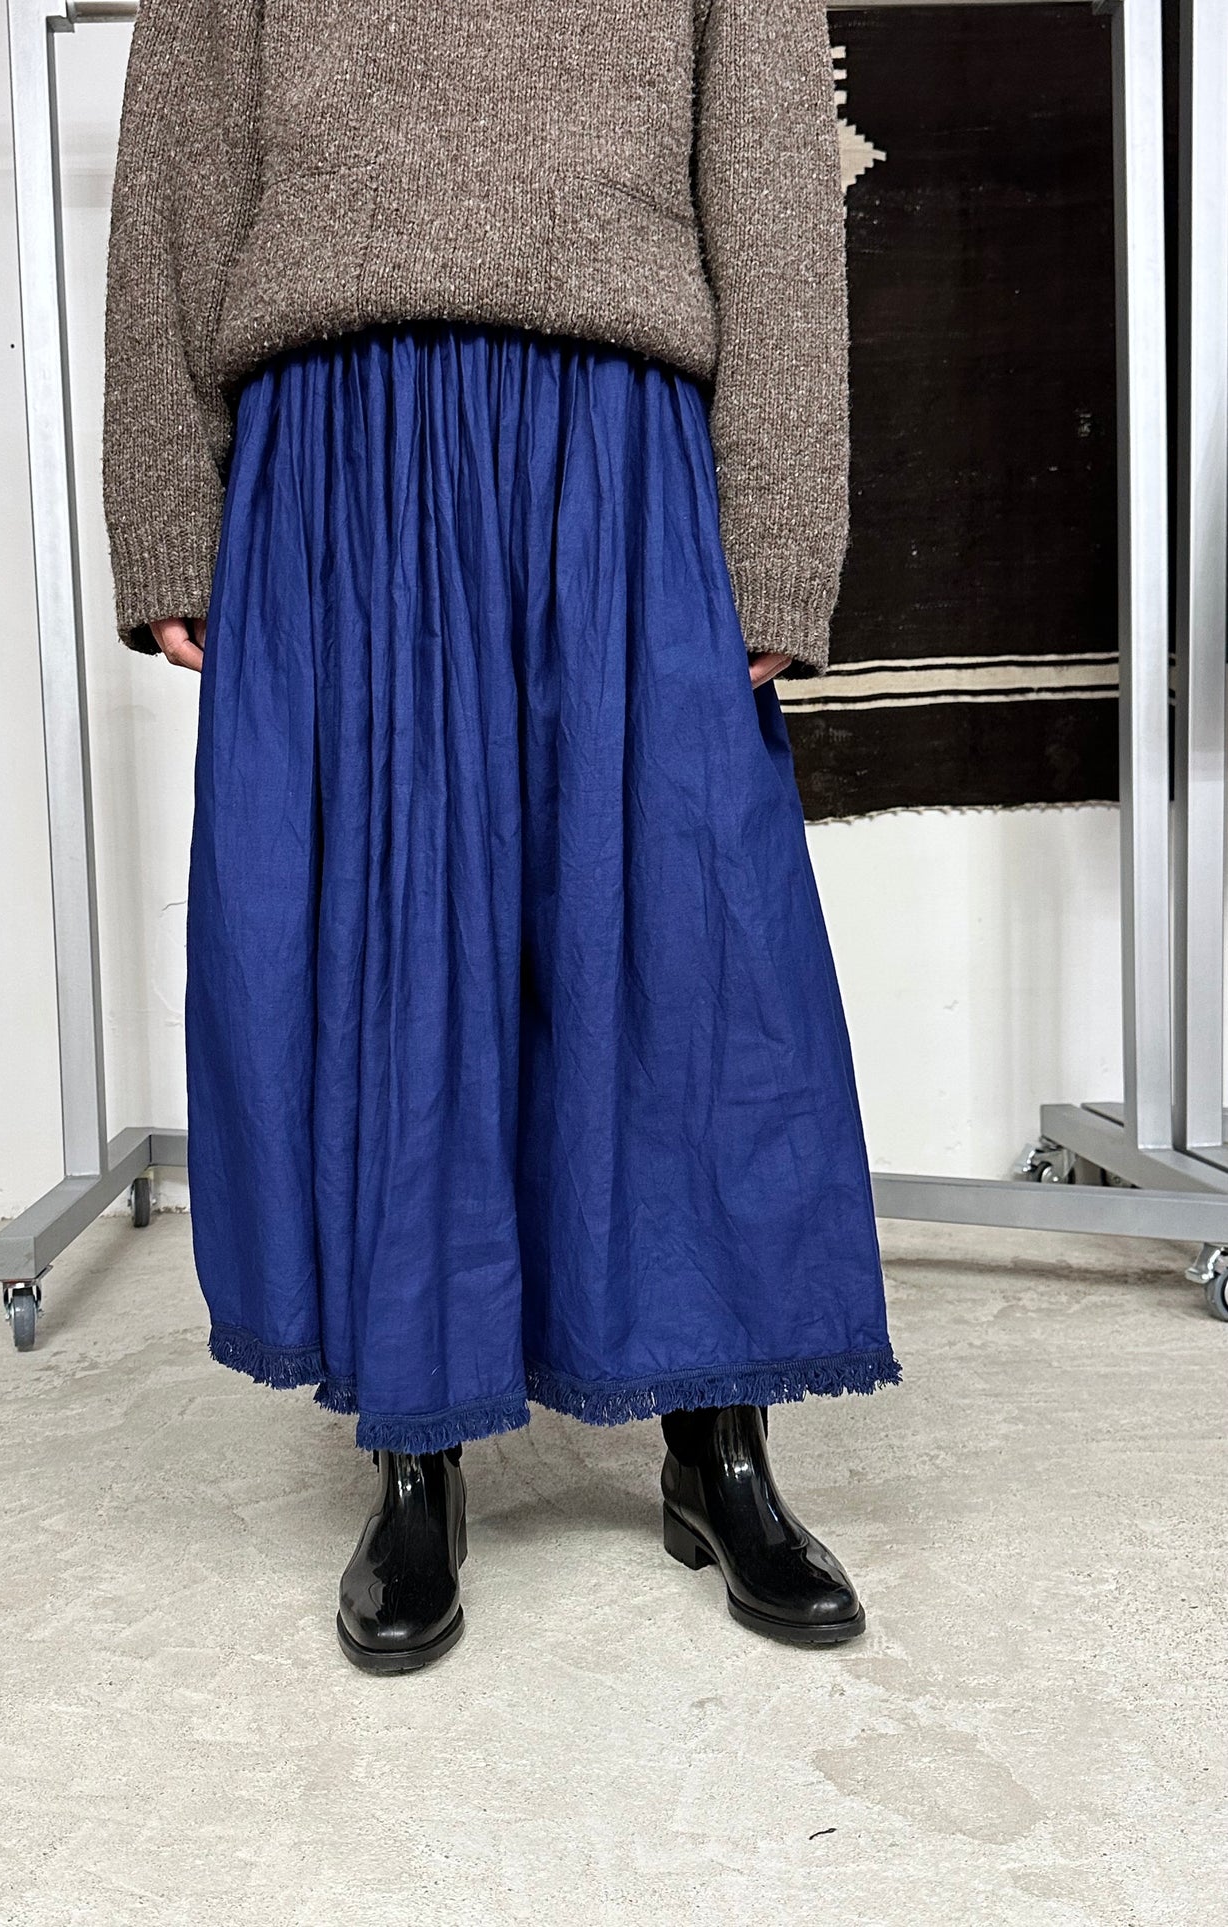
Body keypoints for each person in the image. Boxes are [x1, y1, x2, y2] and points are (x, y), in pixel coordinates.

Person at [102, 0, 900, 1675]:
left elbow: (771, 187)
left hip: (621, 442)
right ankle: (416, 1454)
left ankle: (717, 1447)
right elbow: (180, 165)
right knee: (392, 950)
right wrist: (170, 511)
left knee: (685, 940)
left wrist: (778, 533)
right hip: (342, 449)